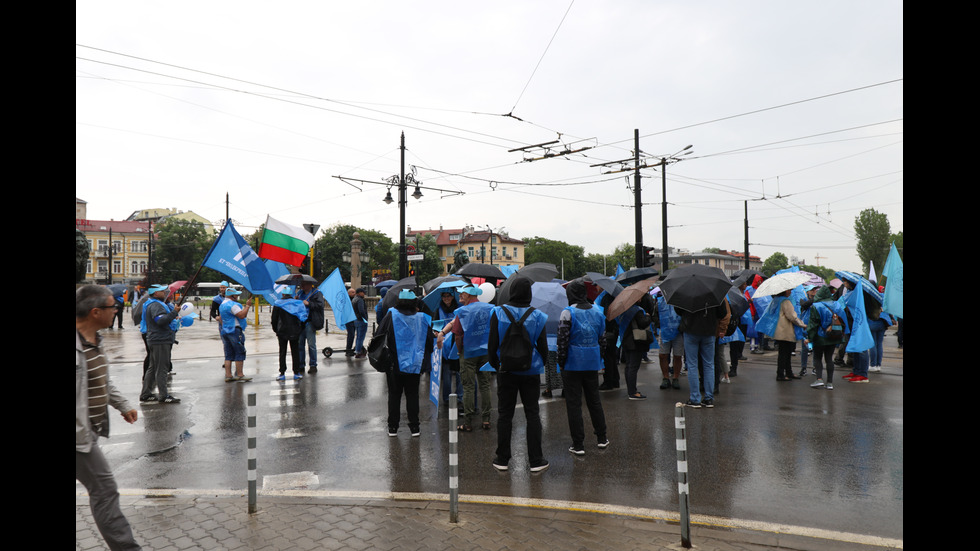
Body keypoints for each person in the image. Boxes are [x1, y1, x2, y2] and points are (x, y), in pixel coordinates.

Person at [76, 285, 143, 551]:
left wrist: (122, 405)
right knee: (104, 490)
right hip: (79, 437)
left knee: (103, 490)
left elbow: (102, 379)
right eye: (112, 306)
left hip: (88, 430)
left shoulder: (95, 341)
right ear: (95, 312)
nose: (117, 309)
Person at [487, 277, 550, 472]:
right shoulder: (538, 316)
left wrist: (497, 364)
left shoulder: (498, 312)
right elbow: (544, 348)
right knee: (532, 414)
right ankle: (536, 460)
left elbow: (492, 346)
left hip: (506, 370)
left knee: (505, 414)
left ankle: (502, 458)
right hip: (530, 371)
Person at [556, 280, 609, 456]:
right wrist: (598, 357)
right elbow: (602, 340)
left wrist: (561, 361)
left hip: (572, 362)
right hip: (592, 361)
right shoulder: (598, 312)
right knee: (594, 400)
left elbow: (562, 340)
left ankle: (578, 444)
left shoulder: (567, 312)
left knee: (574, 404)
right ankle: (602, 438)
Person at [437, 284, 493, 432]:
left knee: (468, 386)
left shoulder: (463, 311)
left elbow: (457, 335)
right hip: (485, 351)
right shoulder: (489, 308)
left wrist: (460, 351)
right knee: (485, 385)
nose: (459, 296)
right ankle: (486, 420)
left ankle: (468, 422)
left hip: (468, 352)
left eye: (462, 293)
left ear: (469, 295)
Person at [377, 289, 433, 437]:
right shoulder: (422, 318)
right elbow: (429, 342)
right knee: (412, 395)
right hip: (415, 363)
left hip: (394, 364)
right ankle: (415, 427)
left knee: (394, 396)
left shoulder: (391, 315)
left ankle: (393, 427)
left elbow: (379, 335)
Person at [678, 298, 730, 408]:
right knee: (709, 364)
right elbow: (722, 312)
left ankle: (695, 398)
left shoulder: (687, 291)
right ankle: (709, 398)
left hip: (690, 329)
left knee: (692, 365)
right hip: (709, 330)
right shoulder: (714, 293)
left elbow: (678, 310)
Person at [139, 284, 181, 404]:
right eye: (163, 291)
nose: (166, 293)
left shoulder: (152, 304)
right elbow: (161, 320)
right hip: (160, 340)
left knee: (152, 367)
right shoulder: (156, 305)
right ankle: (163, 395)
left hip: (156, 339)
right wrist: (174, 313)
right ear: (156, 293)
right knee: (162, 368)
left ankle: (146, 393)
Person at [806, 285, 847, 390]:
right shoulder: (837, 305)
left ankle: (819, 379)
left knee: (817, 358)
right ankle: (829, 383)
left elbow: (813, 324)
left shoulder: (816, 306)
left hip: (820, 336)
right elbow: (843, 320)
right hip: (833, 336)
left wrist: (809, 337)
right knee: (829, 359)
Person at [770, 289, 808, 381]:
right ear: (784, 291)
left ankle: (787, 372)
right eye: (789, 290)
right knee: (785, 353)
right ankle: (781, 374)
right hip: (785, 330)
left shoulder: (775, 300)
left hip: (779, 330)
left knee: (784, 352)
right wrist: (802, 324)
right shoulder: (785, 301)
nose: (790, 292)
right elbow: (792, 316)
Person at [434, 291, 463, 409]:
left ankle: (460, 397)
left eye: (448, 296)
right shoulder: (438, 310)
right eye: (444, 296)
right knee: (446, 373)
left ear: (453, 297)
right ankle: (446, 398)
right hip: (444, 346)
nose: (446, 298)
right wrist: (436, 333)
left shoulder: (459, 309)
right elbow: (435, 326)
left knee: (459, 373)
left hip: (456, 344)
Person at [219, 288, 253, 383]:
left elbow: (220, 318)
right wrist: (247, 306)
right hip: (235, 330)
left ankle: (228, 375)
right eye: (236, 295)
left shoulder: (222, 304)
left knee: (228, 354)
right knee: (240, 352)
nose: (237, 296)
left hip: (225, 330)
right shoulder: (232, 305)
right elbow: (242, 315)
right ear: (232, 296)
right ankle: (240, 374)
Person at [272, 290, 307, 381]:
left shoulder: (278, 304)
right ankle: (296, 372)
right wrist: (300, 330)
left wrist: (276, 330)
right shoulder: (297, 303)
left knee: (282, 352)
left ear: (283, 294)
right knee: (295, 352)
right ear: (291, 294)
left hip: (282, 331)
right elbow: (303, 317)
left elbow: (274, 319)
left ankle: (282, 373)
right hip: (295, 331)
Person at [653, 290, 683, 390]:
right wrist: (659, 325)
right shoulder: (660, 301)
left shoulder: (681, 301)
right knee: (663, 355)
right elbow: (655, 315)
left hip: (678, 332)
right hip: (665, 331)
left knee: (678, 356)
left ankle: (675, 377)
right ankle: (665, 377)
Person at [295, 280, 325, 374]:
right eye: (301, 284)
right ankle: (301, 365)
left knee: (311, 345)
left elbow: (320, 305)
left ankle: (313, 365)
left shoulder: (317, 293)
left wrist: (309, 304)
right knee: (300, 345)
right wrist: (295, 301)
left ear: (309, 285)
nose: (302, 286)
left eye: (303, 284)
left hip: (310, 322)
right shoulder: (299, 293)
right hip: (300, 322)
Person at [597, 293, 622, 391]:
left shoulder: (607, 298)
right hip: (614, 330)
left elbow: (606, 314)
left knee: (608, 357)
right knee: (611, 356)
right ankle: (615, 380)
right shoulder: (616, 297)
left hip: (609, 330)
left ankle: (609, 382)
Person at [352, 287, 369, 359]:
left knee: (358, 337)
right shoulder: (360, 300)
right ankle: (358, 352)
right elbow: (361, 310)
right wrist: (365, 319)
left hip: (356, 320)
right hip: (361, 320)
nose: (364, 293)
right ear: (359, 293)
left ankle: (357, 350)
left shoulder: (354, 299)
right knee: (361, 337)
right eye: (363, 292)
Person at [345, 288, 357, 356]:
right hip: (349, 320)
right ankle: (348, 350)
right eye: (352, 292)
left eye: (354, 292)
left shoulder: (354, 300)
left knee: (352, 335)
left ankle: (349, 349)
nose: (354, 293)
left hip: (353, 320)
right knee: (351, 335)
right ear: (348, 293)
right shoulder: (347, 300)